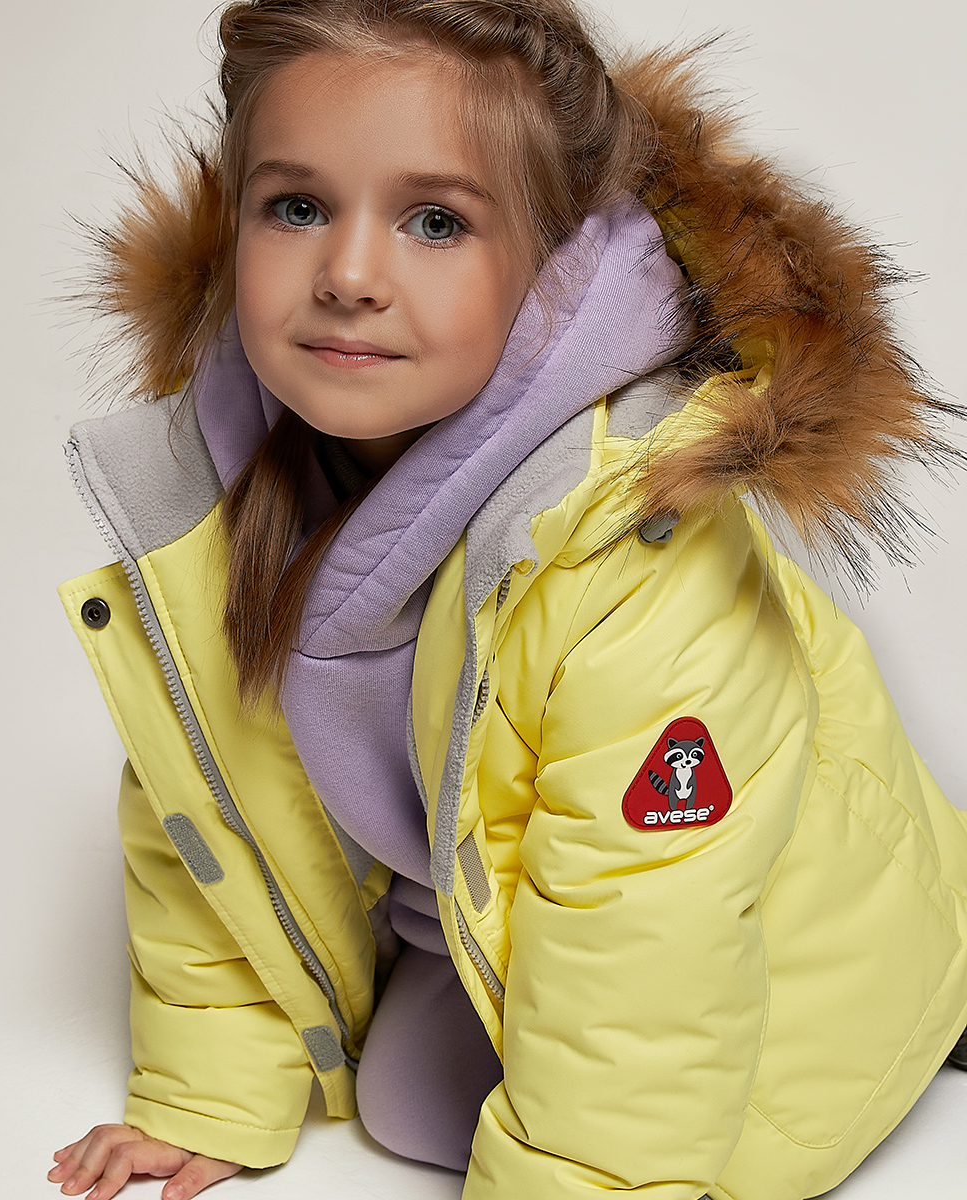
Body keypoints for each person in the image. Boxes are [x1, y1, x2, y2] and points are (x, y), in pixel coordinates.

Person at [47, 1, 967, 1197]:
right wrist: (212, 1087)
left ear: (553, 266)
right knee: (407, 1100)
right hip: (533, 926)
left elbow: (647, 941)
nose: (349, 275)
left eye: (435, 221)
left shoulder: (637, 557)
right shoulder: (220, 491)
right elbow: (219, 799)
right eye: (297, 207)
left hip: (771, 977)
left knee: (719, 1133)